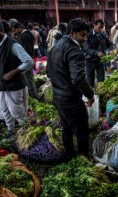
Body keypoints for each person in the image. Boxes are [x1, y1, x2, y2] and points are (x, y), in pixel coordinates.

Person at [46, 18, 94, 161]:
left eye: (86, 35)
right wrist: (90, 95)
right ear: (72, 33)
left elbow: (49, 72)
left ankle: (70, 156)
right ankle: (83, 160)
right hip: (71, 99)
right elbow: (78, 78)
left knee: (66, 128)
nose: (84, 39)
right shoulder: (74, 50)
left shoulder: (56, 47)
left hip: (58, 97)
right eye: (82, 35)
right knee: (82, 131)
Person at [0, 17, 33, 135]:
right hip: (1, 84)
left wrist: (13, 72)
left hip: (14, 85)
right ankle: (11, 131)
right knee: (5, 111)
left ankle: (25, 133)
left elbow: (28, 62)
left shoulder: (13, 44)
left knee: (17, 112)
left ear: (0, 29)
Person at [11, 22, 39, 100]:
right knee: (29, 81)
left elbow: (27, 50)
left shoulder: (25, 35)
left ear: (19, 27)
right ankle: (34, 97)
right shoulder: (25, 35)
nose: (14, 32)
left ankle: (34, 98)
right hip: (27, 61)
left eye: (15, 30)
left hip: (27, 62)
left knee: (29, 82)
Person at [83, 19, 113, 87]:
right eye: (99, 27)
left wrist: (111, 49)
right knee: (90, 80)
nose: (101, 29)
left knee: (101, 80)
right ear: (95, 25)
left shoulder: (102, 34)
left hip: (100, 61)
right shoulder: (88, 35)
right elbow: (87, 49)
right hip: (90, 60)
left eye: (102, 28)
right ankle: (90, 96)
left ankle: (100, 94)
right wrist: (96, 53)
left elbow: (110, 44)